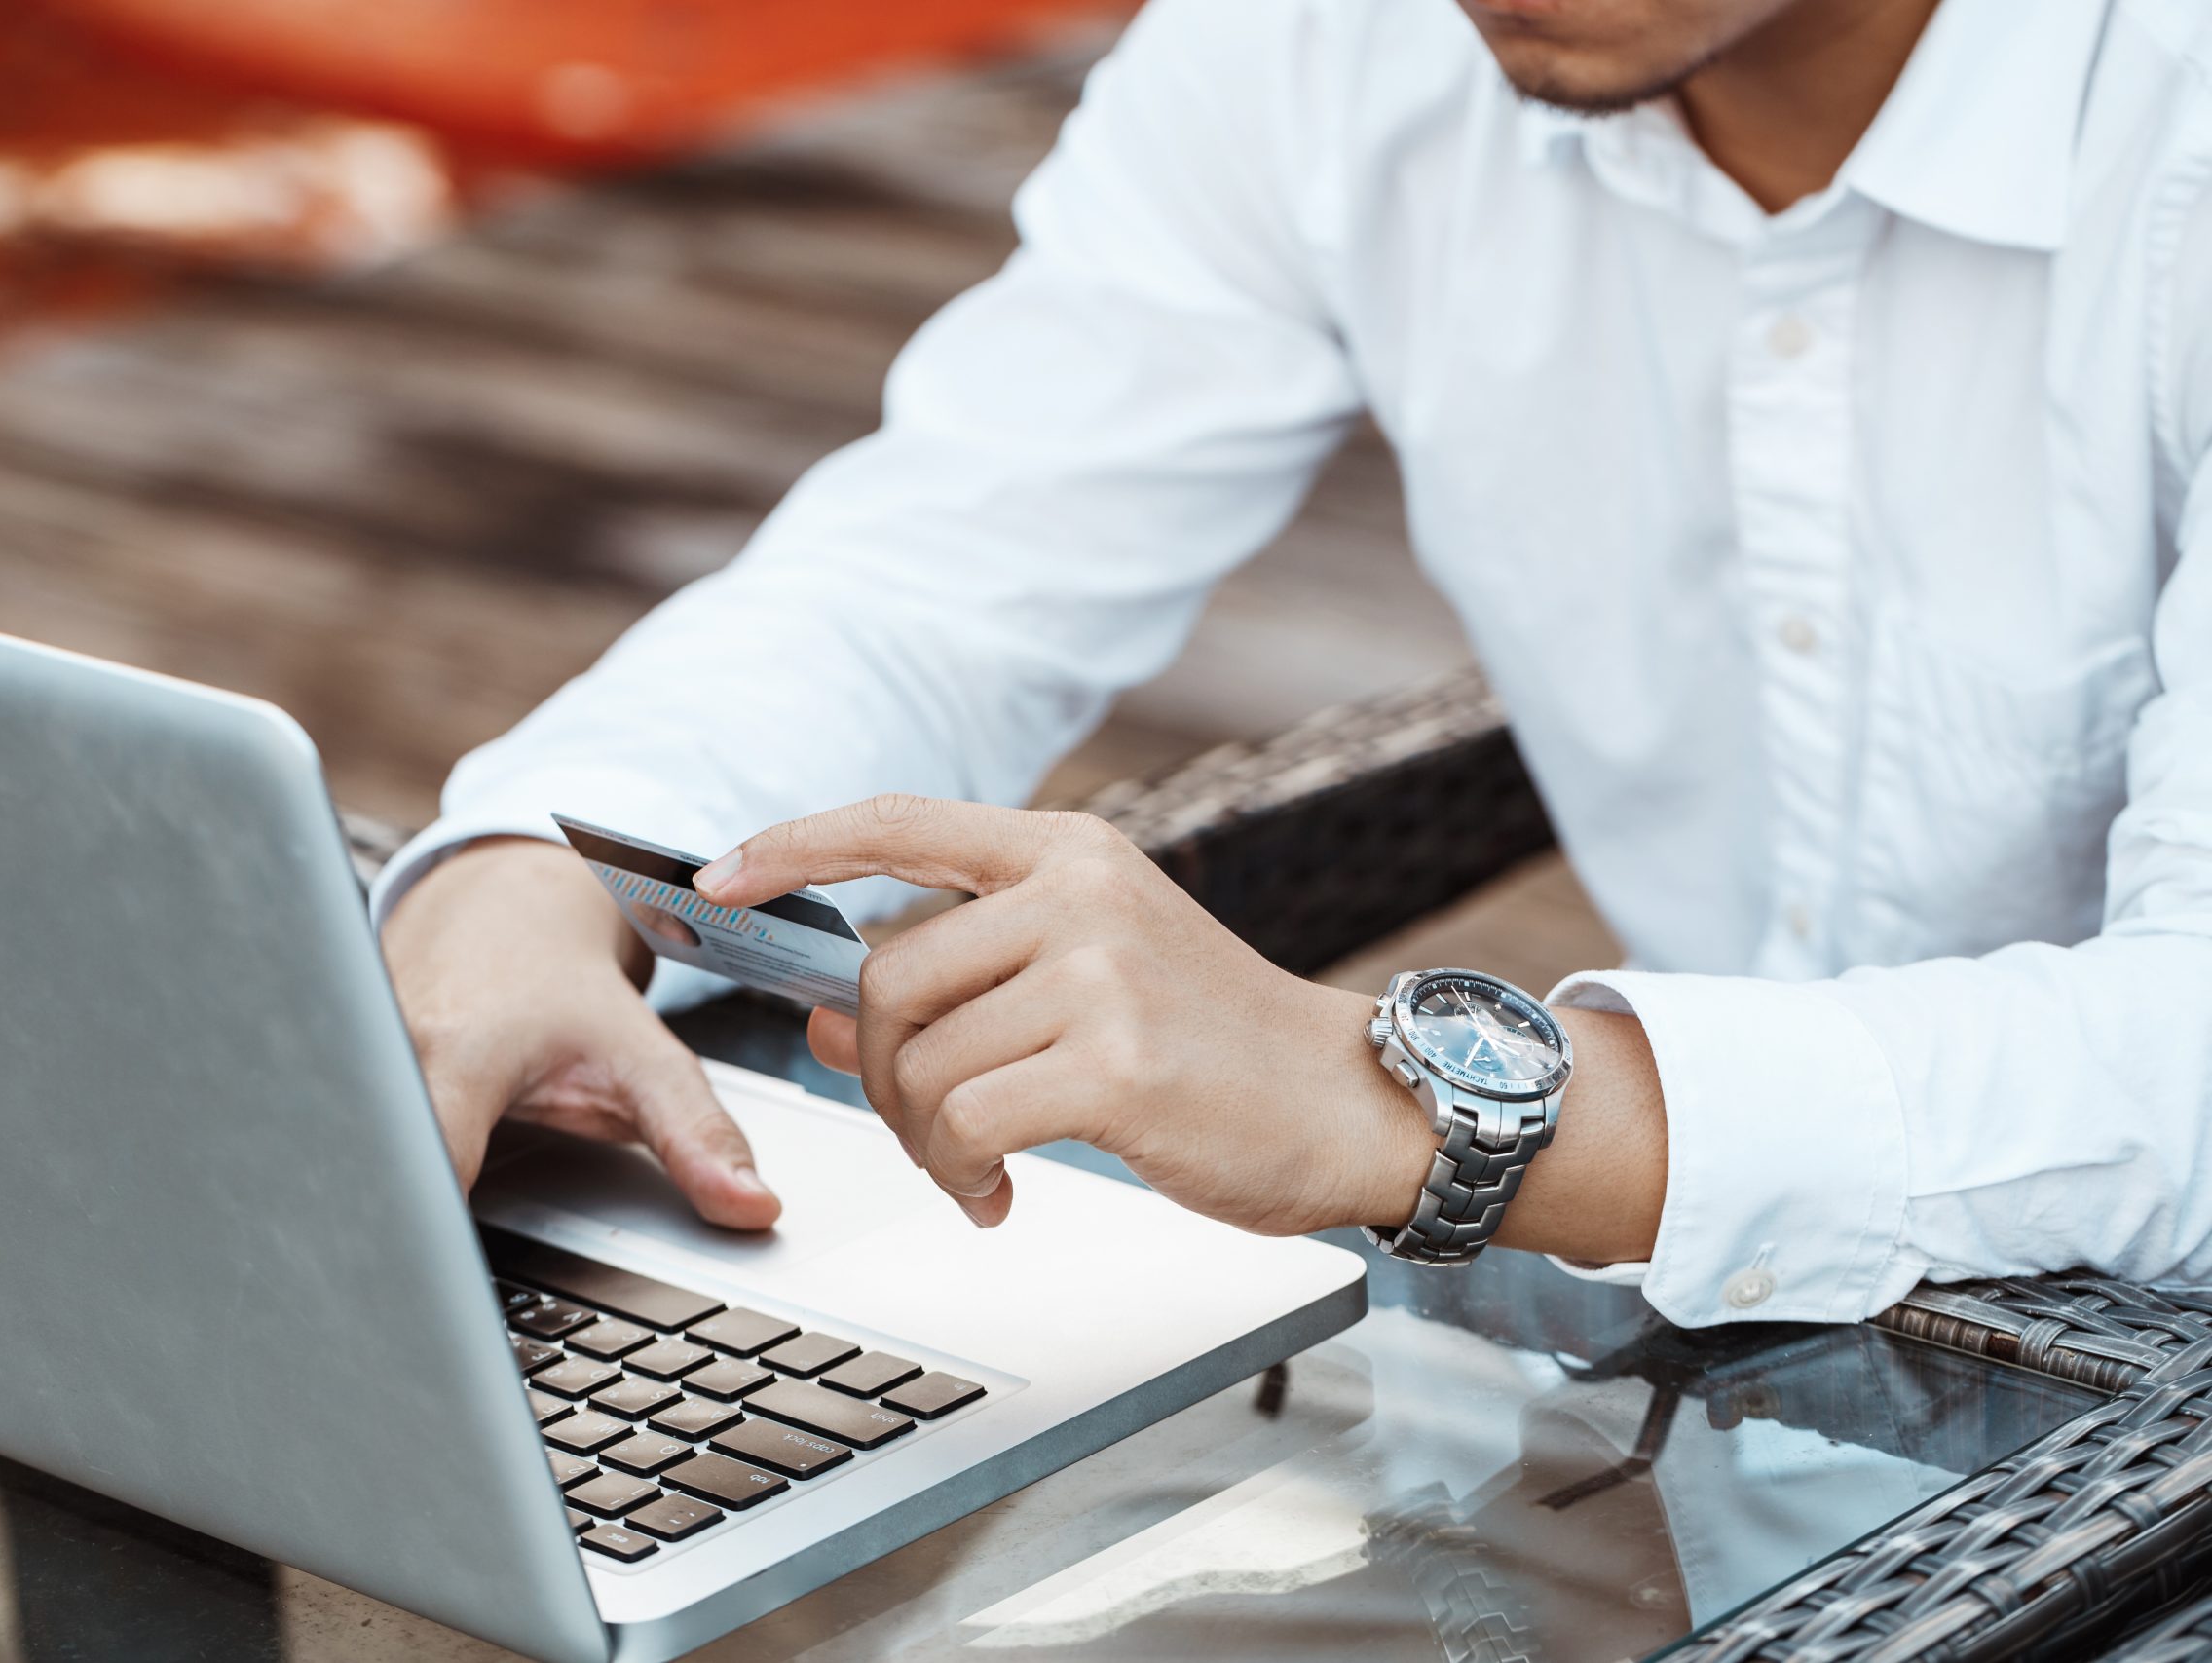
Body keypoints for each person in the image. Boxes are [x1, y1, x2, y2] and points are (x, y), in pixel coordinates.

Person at [374, 0, 2212, 1327]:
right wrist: (542, 875)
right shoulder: (1320, 48)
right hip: (1713, 1365)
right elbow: (945, 557)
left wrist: (1395, 1105)